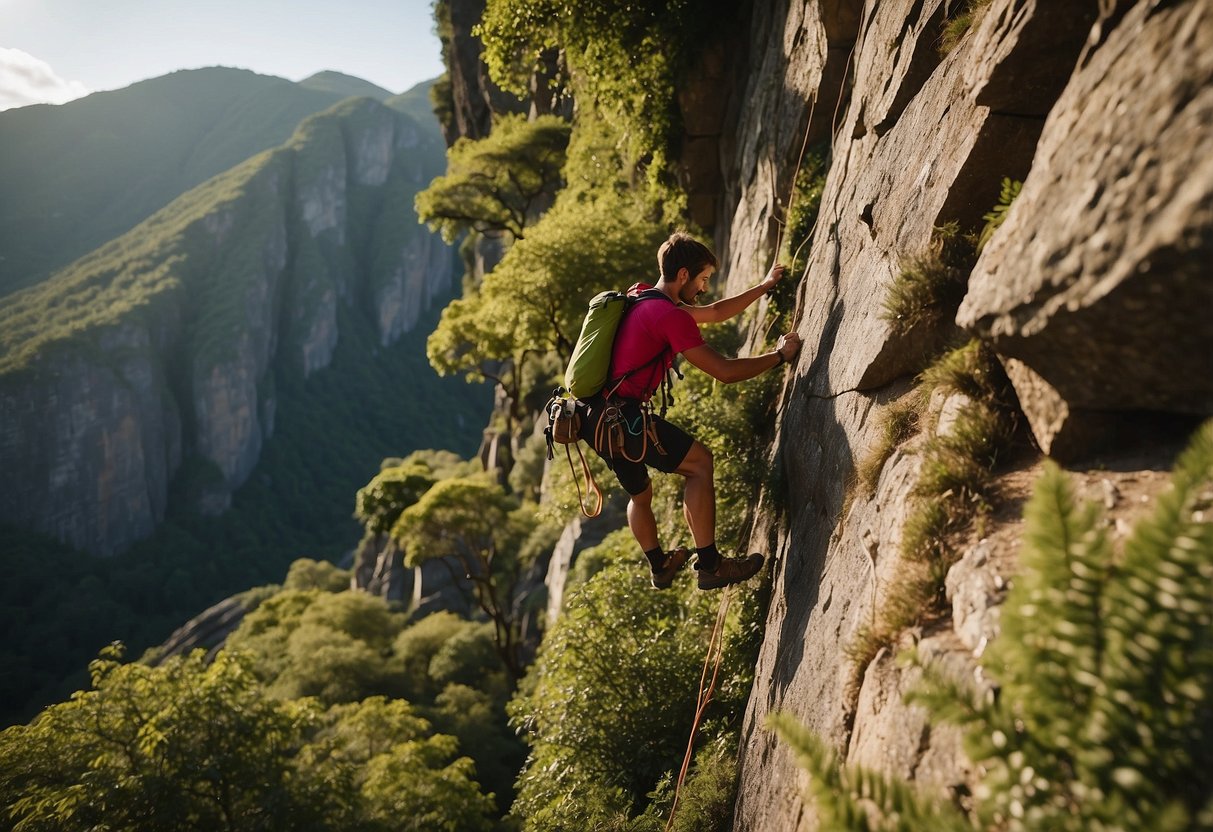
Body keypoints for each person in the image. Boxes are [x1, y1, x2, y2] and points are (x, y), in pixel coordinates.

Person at [578, 231, 802, 590]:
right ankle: (711, 565)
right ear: (683, 275)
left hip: (595, 418)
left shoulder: (641, 297)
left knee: (641, 495)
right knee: (699, 464)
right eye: (702, 279)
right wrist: (778, 357)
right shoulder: (669, 316)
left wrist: (763, 286)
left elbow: (712, 313)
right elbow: (725, 372)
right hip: (624, 418)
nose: (703, 288)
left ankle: (660, 565)